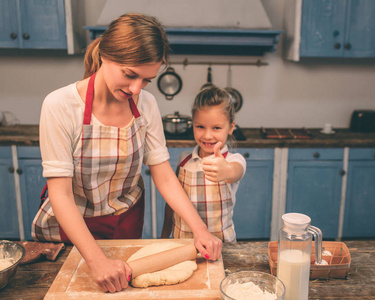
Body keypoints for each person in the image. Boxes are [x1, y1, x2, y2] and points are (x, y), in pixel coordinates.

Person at [31, 13, 222, 293]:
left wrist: (199, 229)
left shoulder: (147, 104)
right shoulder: (60, 106)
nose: (135, 89)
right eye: (130, 75)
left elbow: (163, 174)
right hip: (73, 225)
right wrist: (96, 261)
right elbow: (60, 194)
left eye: (146, 80)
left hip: (126, 220)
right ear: (106, 56)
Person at [161, 86, 246, 242]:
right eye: (200, 127)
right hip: (182, 244)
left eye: (216, 128)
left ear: (231, 128)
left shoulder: (233, 160)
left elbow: (236, 171)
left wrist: (225, 171)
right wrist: (164, 235)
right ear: (192, 125)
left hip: (222, 247)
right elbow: (172, 203)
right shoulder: (184, 160)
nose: (207, 135)